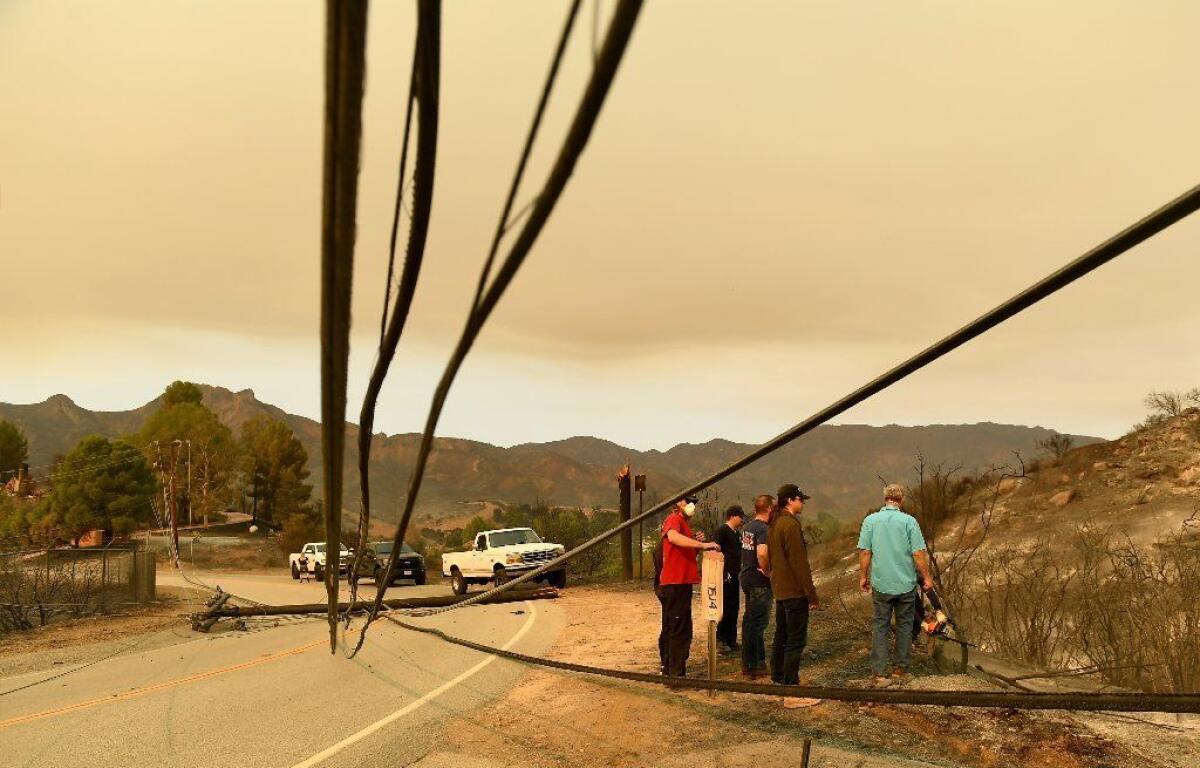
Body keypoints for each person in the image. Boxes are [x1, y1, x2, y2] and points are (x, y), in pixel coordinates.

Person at [857, 483, 934, 687]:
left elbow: (865, 552)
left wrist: (863, 576)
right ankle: (900, 670)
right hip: (905, 584)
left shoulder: (870, 520)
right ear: (901, 500)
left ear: (885, 499)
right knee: (905, 626)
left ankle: (880, 673)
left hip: (881, 583)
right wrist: (926, 576)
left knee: (880, 626)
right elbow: (918, 553)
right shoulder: (909, 521)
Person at [768, 483, 822, 708]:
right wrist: (811, 594)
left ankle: (779, 678)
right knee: (795, 639)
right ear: (790, 500)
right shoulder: (790, 525)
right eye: (800, 499)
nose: (803, 503)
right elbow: (800, 563)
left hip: (780, 589)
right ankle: (792, 689)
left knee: (781, 635)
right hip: (793, 591)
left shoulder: (775, 524)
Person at [658, 494, 719, 677]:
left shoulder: (684, 524)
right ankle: (675, 674)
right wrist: (702, 544)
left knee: (674, 628)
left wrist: (694, 540)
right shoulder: (673, 519)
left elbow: (683, 546)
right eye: (688, 501)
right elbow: (674, 538)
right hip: (675, 582)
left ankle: (669, 669)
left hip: (680, 582)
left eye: (694, 503)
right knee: (679, 629)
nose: (692, 505)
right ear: (678, 503)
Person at [739, 494, 774, 678]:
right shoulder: (763, 529)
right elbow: (762, 553)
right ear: (769, 508)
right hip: (759, 581)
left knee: (749, 622)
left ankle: (749, 662)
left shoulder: (747, 527)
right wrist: (767, 570)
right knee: (758, 624)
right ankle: (755, 664)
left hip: (746, 577)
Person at [712, 505, 745, 653]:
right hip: (725, 575)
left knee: (734, 607)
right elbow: (715, 550)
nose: (742, 520)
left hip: (735, 574)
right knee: (725, 607)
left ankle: (731, 639)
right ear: (732, 516)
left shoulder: (736, 533)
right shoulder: (722, 531)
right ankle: (721, 639)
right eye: (740, 516)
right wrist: (722, 571)